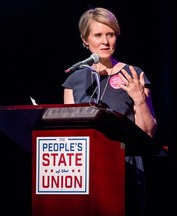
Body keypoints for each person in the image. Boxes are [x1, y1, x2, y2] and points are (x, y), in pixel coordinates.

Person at [62, 7, 157, 216]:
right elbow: (68, 134)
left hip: (124, 168)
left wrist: (139, 99)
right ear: (85, 39)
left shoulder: (133, 74)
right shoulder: (74, 80)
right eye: (98, 35)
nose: (105, 41)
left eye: (110, 34)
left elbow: (148, 132)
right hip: (84, 171)